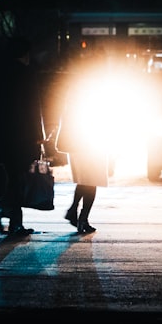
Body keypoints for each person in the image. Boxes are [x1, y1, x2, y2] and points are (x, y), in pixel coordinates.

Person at [0, 36, 46, 237]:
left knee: (12, 178)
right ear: (25, 54)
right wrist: (39, 136)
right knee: (18, 181)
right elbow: (33, 107)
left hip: (4, 135)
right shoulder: (27, 74)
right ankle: (6, 212)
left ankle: (13, 220)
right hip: (23, 136)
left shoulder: (0, 73)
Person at [56, 47, 113, 234]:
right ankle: (82, 218)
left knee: (85, 180)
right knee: (92, 180)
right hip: (93, 139)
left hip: (77, 140)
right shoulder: (98, 87)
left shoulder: (76, 85)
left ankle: (75, 212)